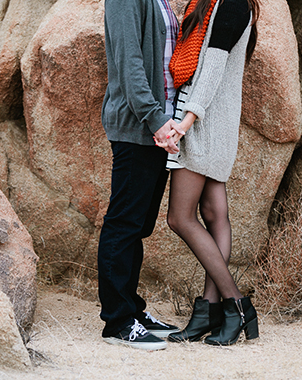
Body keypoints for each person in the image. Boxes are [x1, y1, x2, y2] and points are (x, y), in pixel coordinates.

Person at [154, 0, 260, 346]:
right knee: (214, 214)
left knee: (179, 218)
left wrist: (185, 123)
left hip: (204, 125)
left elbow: (213, 69)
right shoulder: (206, 4)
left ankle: (237, 305)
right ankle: (208, 313)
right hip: (211, 122)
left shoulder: (231, 5)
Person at [98, 0, 182, 351]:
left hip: (156, 127)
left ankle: (133, 310)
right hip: (138, 127)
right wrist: (156, 120)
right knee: (124, 222)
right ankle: (118, 321)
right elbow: (131, 64)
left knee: (140, 223)